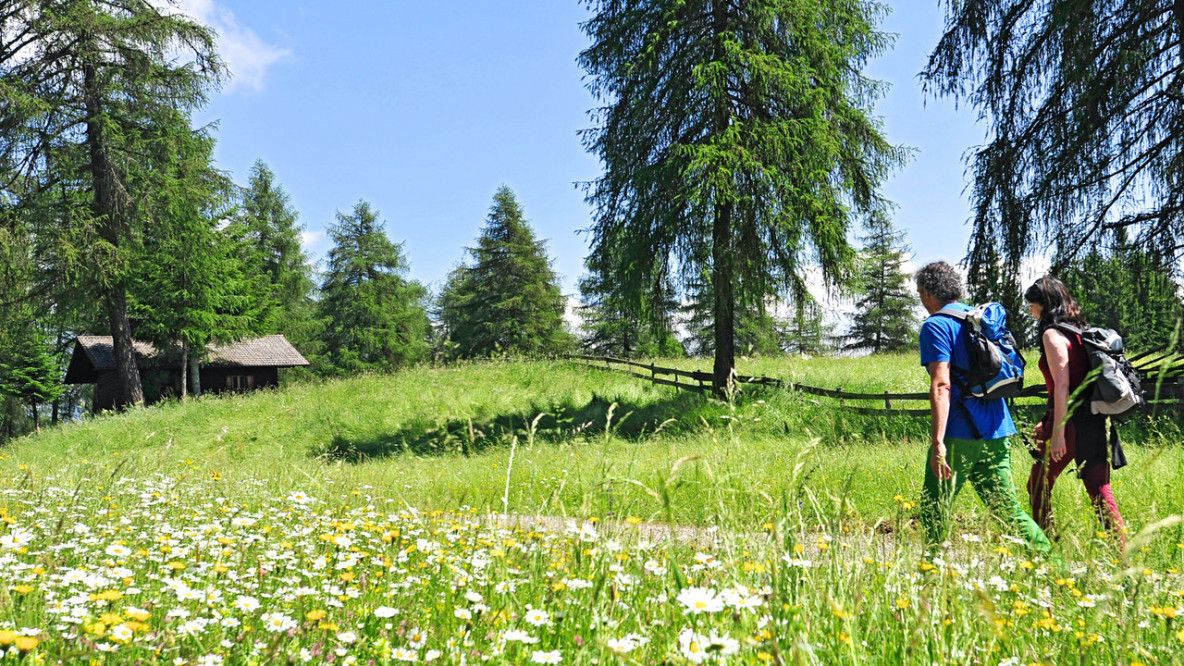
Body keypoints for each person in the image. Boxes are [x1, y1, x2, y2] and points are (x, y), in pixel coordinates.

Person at [915, 262, 1051, 553]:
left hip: (959, 434)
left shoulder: (935, 326)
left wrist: (937, 442)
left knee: (934, 510)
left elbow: (942, 385)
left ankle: (931, 579)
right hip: (998, 429)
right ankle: (1056, 570)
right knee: (1009, 512)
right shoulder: (979, 319)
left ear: (927, 293)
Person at [1023, 276, 1126, 548]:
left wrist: (1056, 433)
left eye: (1032, 306)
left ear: (1043, 305)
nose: (1032, 312)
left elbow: (1063, 386)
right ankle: (1122, 560)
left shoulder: (1052, 334)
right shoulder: (1081, 332)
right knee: (1100, 491)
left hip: (1069, 423)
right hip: (1094, 420)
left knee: (1037, 488)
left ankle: (1047, 551)